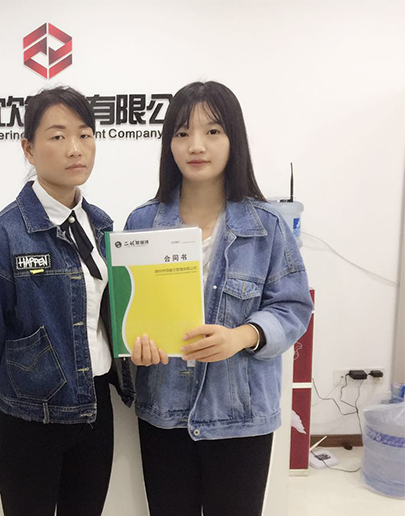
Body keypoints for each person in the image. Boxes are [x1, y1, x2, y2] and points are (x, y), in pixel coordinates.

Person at [125, 81, 313, 516]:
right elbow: (127, 311)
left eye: (212, 131)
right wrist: (134, 346)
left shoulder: (267, 225)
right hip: (165, 412)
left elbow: (293, 307)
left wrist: (242, 336)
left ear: (234, 140)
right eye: (182, 133)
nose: (196, 145)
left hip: (240, 418)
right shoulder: (142, 223)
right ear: (169, 144)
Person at [0, 85, 133, 516]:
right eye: (57, 136)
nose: (75, 148)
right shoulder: (2, 235)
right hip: (29, 421)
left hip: (94, 412)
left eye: (85, 134)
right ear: (29, 149)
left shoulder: (102, 226)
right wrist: (10, 406)